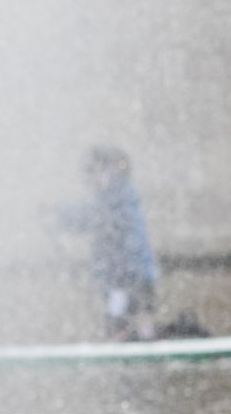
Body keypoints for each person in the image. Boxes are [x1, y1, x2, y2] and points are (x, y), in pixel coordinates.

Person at [62, 146, 159, 341]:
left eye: (93, 171)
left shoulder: (117, 195)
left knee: (128, 318)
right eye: (86, 172)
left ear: (110, 170)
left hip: (130, 274)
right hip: (119, 275)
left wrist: (59, 215)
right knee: (125, 319)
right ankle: (139, 344)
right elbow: (88, 219)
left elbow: (93, 216)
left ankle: (141, 345)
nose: (89, 179)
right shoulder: (110, 196)